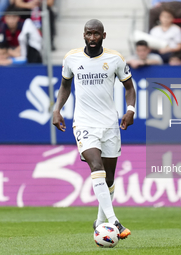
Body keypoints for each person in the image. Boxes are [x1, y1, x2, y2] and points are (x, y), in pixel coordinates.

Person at [53, 19, 135, 239]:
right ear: (83, 34)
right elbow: (64, 86)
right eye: (88, 34)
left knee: (108, 178)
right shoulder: (72, 58)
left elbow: (129, 87)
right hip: (84, 122)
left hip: (109, 124)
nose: (91, 38)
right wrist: (57, 109)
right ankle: (114, 222)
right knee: (95, 165)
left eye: (96, 34)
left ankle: (99, 221)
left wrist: (131, 109)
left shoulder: (114, 58)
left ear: (103, 35)